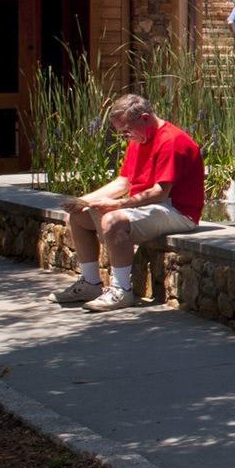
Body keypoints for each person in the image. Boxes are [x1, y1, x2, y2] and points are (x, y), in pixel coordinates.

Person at [51, 94, 204, 312]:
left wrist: (115, 206)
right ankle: (90, 283)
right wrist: (82, 201)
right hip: (152, 206)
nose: (125, 137)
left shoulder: (170, 141)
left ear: (144, 118)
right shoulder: (139, 138)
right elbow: (123, 182)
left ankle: (121, 290)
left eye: (126, 131)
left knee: (113, 220)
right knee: (77, 215)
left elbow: (160, 193)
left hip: (177, 210)